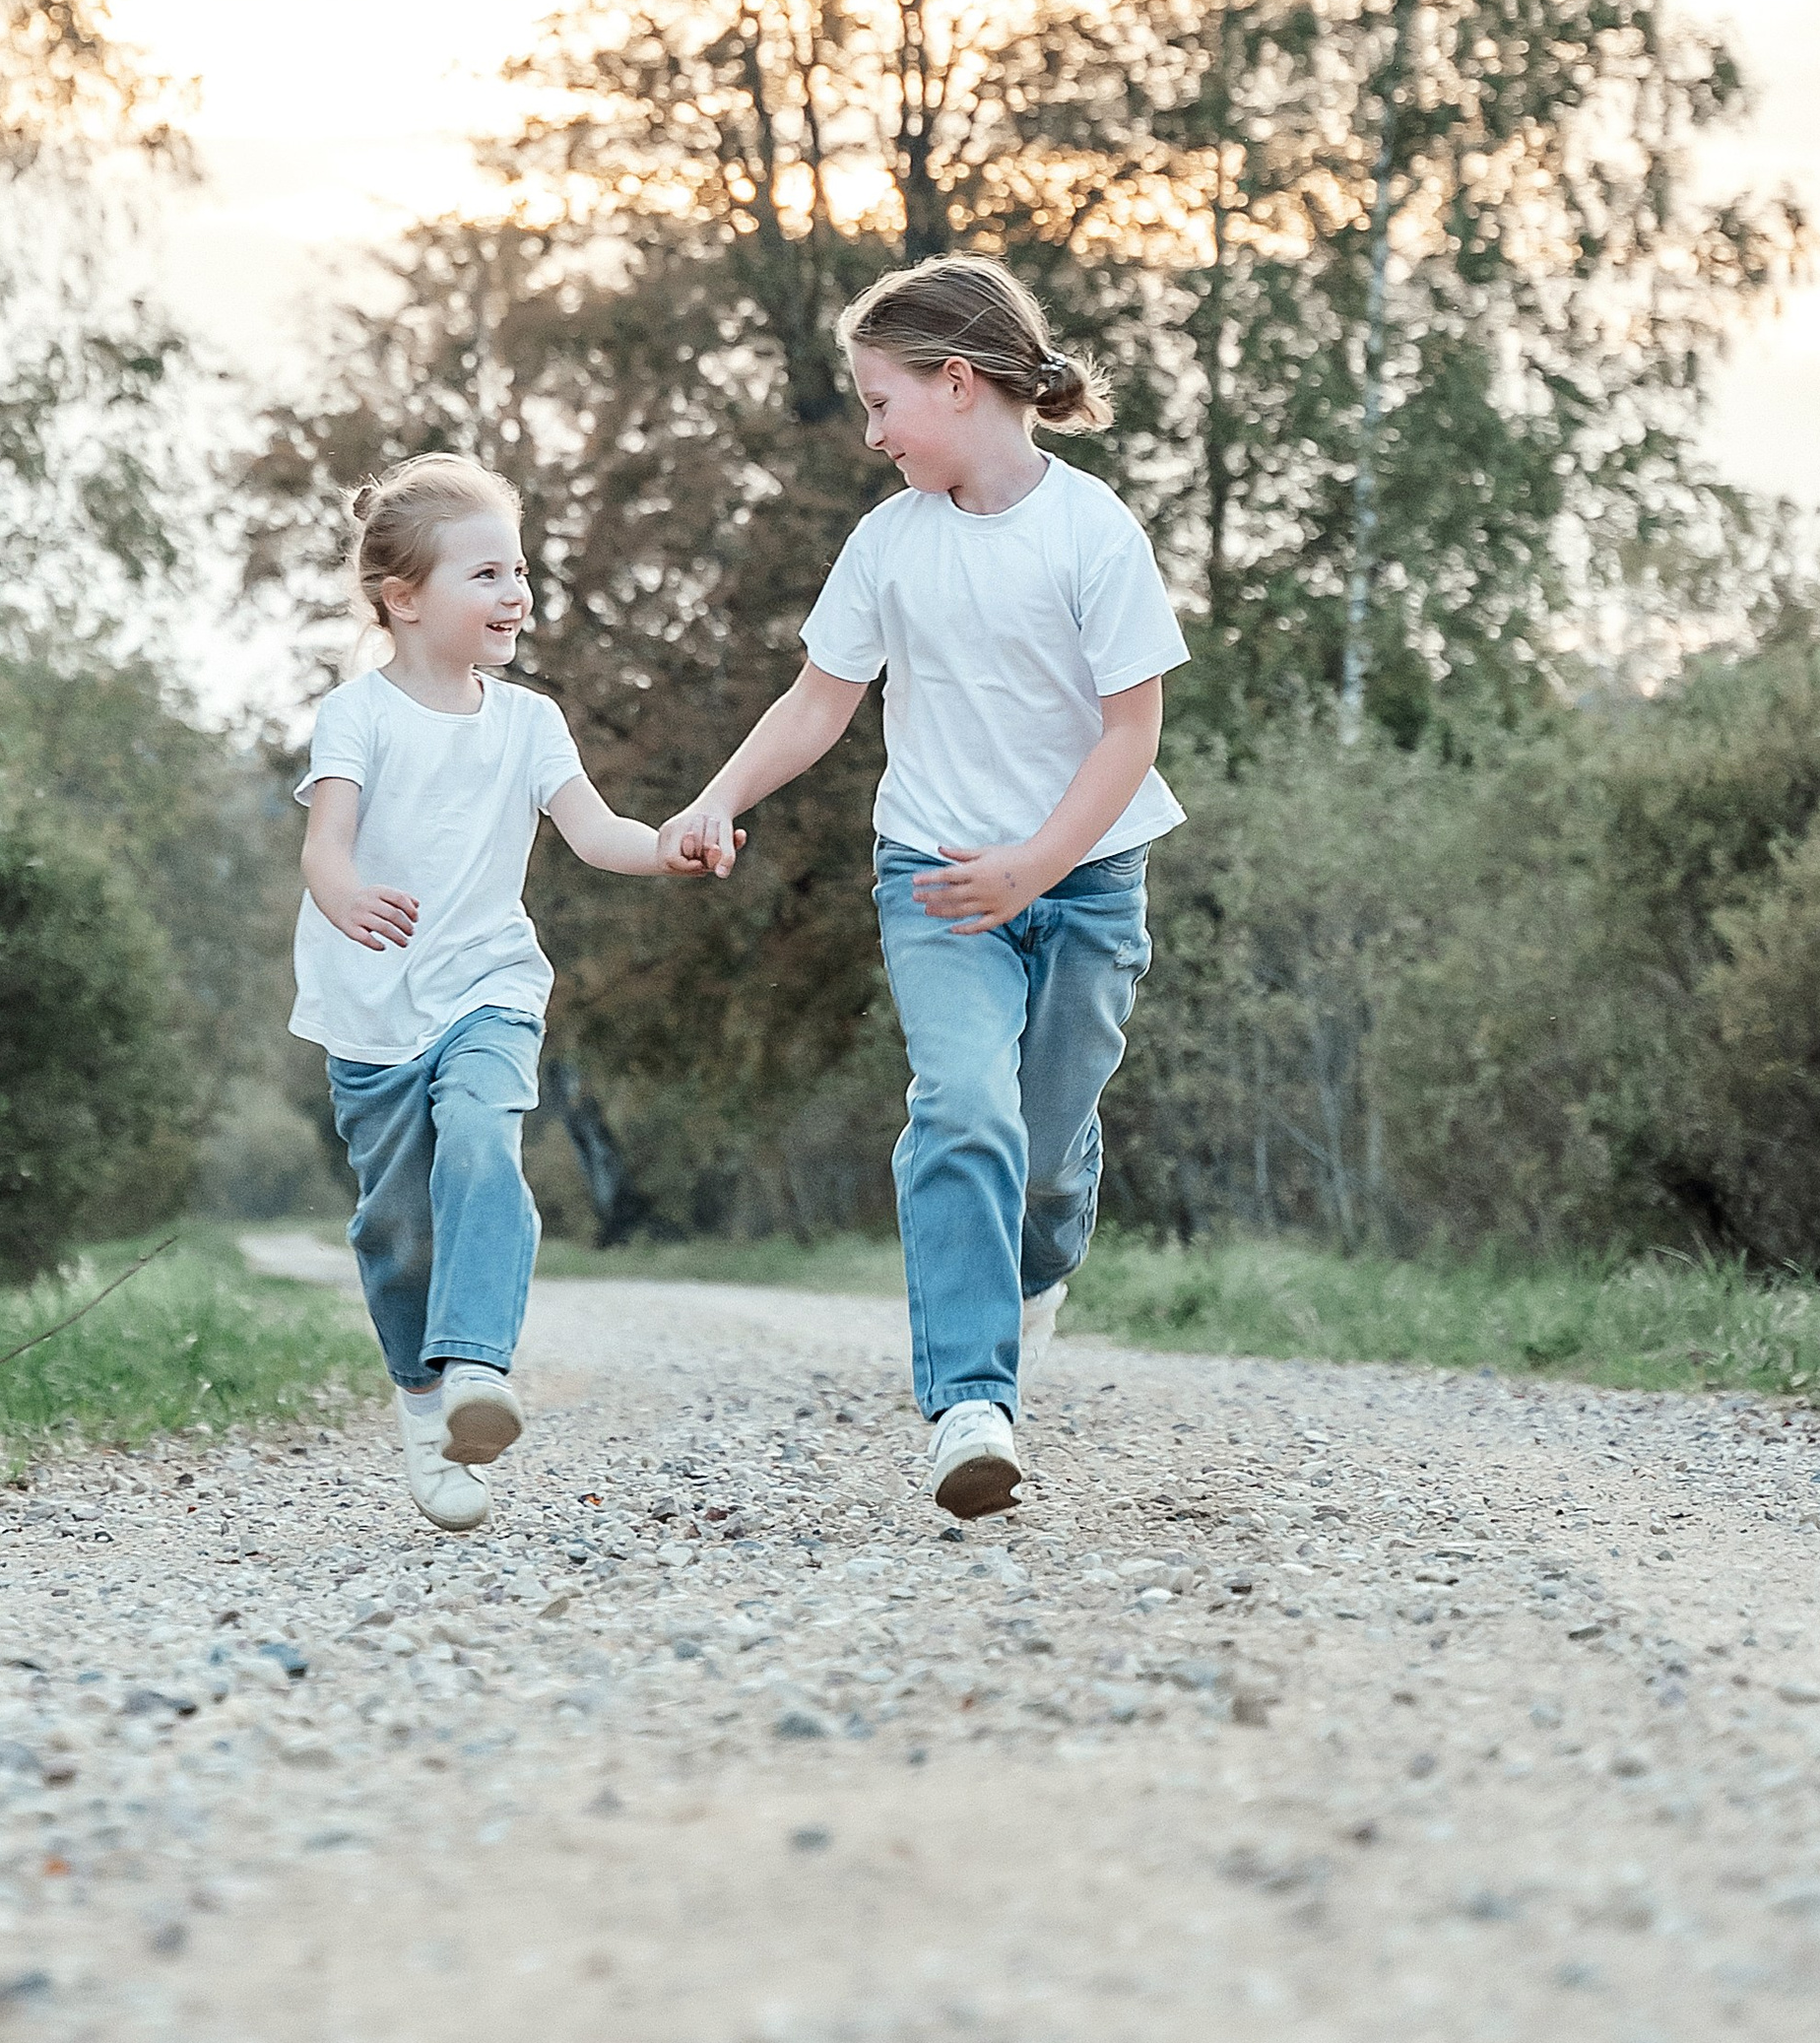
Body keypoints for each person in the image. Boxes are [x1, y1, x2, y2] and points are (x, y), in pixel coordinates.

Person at [659, 255, 1187, 1523]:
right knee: (960, 1107)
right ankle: (969, 1404)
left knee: (1045, 1160)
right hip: (938, 879)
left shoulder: (1092, 530)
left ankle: (1033, 1280)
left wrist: (1037, 865)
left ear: (957, 382)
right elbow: (818, 701)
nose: (872, 433)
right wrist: (717, 797)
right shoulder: (887, 543)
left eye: (881, 402)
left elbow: (1132, 733)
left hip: (1085, 879)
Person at [293, 452, 684, 1536]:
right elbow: (324, 845)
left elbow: (595, 832)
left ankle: (476, 1366)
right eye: (486, 575)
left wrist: (668, 846)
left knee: (480, 1137)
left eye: (518, 570)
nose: (516, 593)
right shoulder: (357, 715)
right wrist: (347, 895)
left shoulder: (530, 723)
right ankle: (426, 1408)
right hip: (372, 1008)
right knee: (396, 1228)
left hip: (488, 985)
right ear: (404, 597)